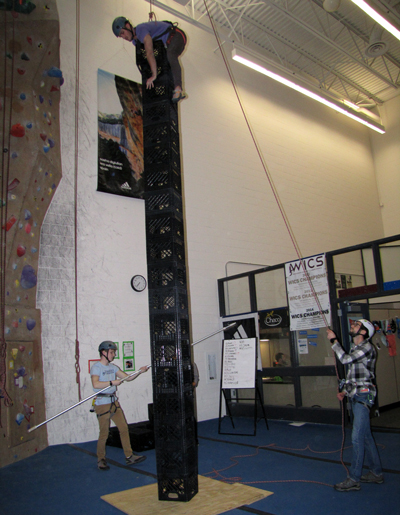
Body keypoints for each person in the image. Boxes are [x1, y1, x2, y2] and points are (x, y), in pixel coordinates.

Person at [327, 319, 383, 492]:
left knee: (356, 437)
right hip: (356, 395)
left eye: (357, 325)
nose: (352, 326)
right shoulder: (355, 347)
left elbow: (345, 360)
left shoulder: (366, 348)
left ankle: (354, 479)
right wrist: (344, 390)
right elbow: (353, 374)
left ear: (364, 332)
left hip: (363, 397)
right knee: (365, 437)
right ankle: (376, 473)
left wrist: (333, 341)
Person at [90, 340, 149, 470]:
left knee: (123, 428)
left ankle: (129, 456)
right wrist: (111, 382)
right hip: (102, 404)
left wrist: (139, 371)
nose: (113, 355)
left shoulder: (113, 367)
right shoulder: (96, 367)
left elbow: (127, 378)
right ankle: (101, 459)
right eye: (111, 352)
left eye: (114, 352)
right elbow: (95, 385)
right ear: (103, 353)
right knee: (104, 433)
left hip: (113, 403)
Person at [112, 17, 187, 103]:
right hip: (167, 44)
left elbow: (149, 52)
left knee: (170, 55)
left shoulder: (141, 30)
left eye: (123, 33)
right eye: (121, 36)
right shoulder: (136, 42)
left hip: (176, 35)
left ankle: (178, 88)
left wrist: (154, 75)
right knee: (165, 65)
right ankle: (170, 91)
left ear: (128, 26)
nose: (123, 37)